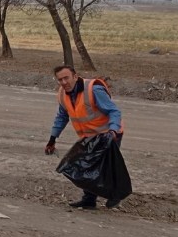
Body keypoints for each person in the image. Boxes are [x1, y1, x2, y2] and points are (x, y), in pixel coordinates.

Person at [45, 64, 124, 210]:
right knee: (84, 166)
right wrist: (52, 139)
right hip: (87, 137)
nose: (63, 82)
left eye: (66, 78)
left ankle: (116, 195)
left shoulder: (94, 90)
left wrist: (113, 131)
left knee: (107, 167)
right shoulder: (63, 94)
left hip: (108, 134)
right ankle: (89, 200)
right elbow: (62, 117)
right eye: (60, 80)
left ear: (75, 76)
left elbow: (114, 111)